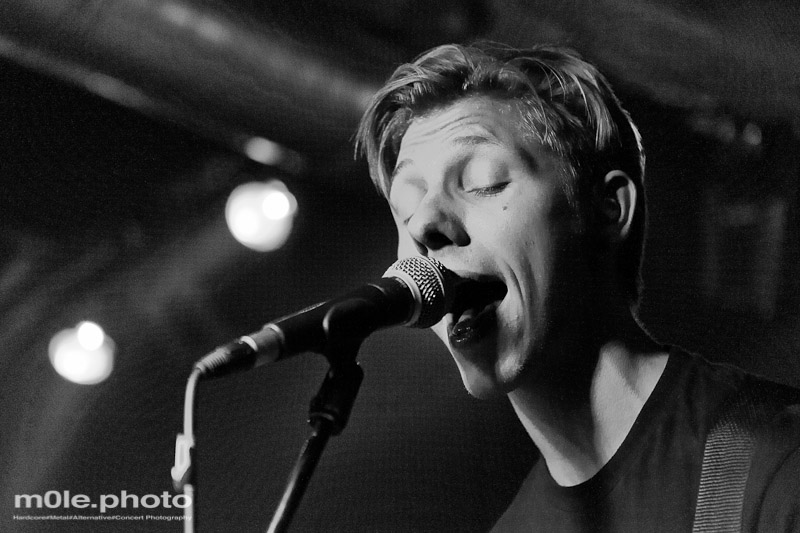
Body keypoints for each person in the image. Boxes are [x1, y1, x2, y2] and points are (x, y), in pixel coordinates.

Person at [355, 43, 800, 532]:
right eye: (406, 210)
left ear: (608, 210)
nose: (424, 225)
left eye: (482, 181)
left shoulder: (775, 466)